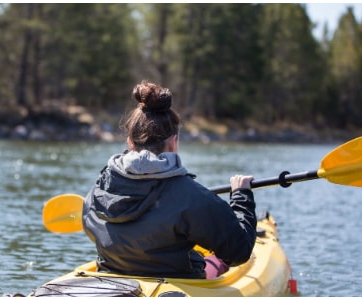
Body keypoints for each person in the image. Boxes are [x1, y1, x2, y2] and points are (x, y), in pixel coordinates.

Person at [82, 80, 257, 279]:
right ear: (174, 143)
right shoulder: (190, 196)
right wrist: (241, 196)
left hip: (113, 275)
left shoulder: (101, 186)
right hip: (177, 280)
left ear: (130, 142)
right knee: (216, 261)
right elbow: (239, 251)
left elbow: (90, 225)